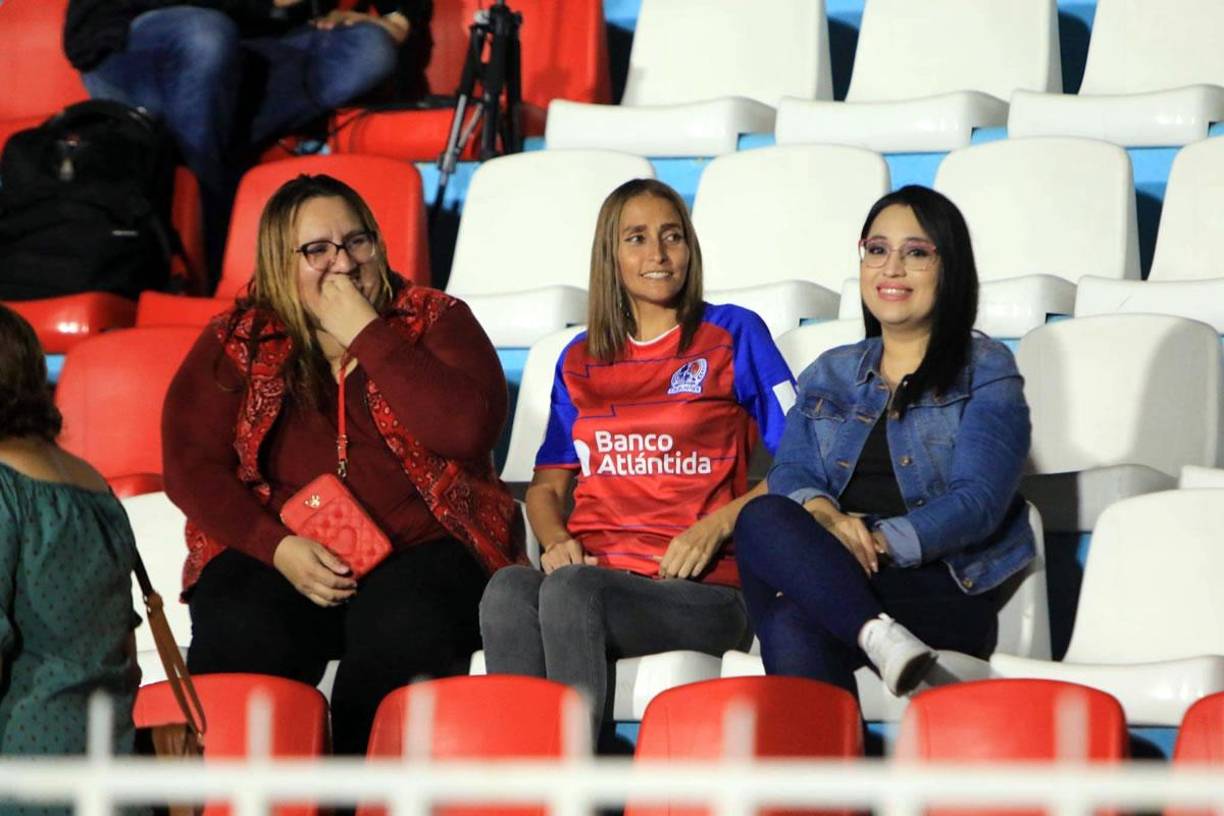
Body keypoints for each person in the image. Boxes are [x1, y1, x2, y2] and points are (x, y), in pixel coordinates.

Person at [161, 173, 520, 755]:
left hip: (422, 549)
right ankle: (247, 792)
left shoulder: (435, 319)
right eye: (318, 250)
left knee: (403, 635)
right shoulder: (240, 339)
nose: (345, 263)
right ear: (279, 262)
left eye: (358, 242)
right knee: (240, 626)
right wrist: (276, 547)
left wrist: (366, 333)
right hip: (284, 551)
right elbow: (190, 466)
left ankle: (361, 792)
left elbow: (465, 431)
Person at [479, 178, 796, 741]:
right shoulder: (578, 359)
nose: (659, 254)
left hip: (704, 591)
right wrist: (555, 541)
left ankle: (578, 778)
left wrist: (716, 526)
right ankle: (521, 777)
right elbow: (546, 489)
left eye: (672, 236)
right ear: (611, 255)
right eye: (637, 238)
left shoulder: (733, 333)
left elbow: (805, 458)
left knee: (573, 592)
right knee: (507, 590)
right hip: (596, 575)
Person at [733, 185, 1034, 700]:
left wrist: (875, 541)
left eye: (915, 253)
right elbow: (792, 472)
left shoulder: (986, 369)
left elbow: (978, 502)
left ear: (949, 268)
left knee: (788, 617)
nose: (891, 268)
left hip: (942, 585)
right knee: (760, 516)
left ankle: (836, 735)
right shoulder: (831, 371)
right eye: (877, 250)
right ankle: (877, 634)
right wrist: (829, 520)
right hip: (833, 569)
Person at [63, 0, 431, 277]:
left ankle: (206, 136)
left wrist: (398, 18)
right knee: (206, 36)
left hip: (255, 53)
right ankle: (209, 250)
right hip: (136, 38)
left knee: (369, 50)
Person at [0, 305, 140, 762]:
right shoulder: (92, 482)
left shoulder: (5, 488)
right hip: (106, 759)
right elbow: (123, 645)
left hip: (22, 766)